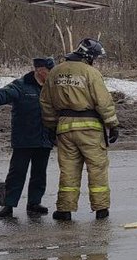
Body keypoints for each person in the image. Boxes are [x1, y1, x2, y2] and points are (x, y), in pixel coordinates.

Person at [40, 38, 119, 221]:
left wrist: (51, 126)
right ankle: (101, 209)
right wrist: (112, 124)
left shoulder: (55, 72)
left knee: (68, 170)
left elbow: (46, 102)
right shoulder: (91, 73)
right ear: (88, 56)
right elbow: (103, 101)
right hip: (90, 129)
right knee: (97, 168)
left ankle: (64, 210)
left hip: (64, 129)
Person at [0, 57, 55, 219]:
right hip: (24, 139)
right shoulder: (21, 85)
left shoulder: (52, 88)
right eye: (49, 71)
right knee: (16, 173)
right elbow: (2, 94)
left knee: (39, 174)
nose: (51, 74)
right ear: (39, 70)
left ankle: (34, 203)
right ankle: (8, 205)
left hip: (45, 138)